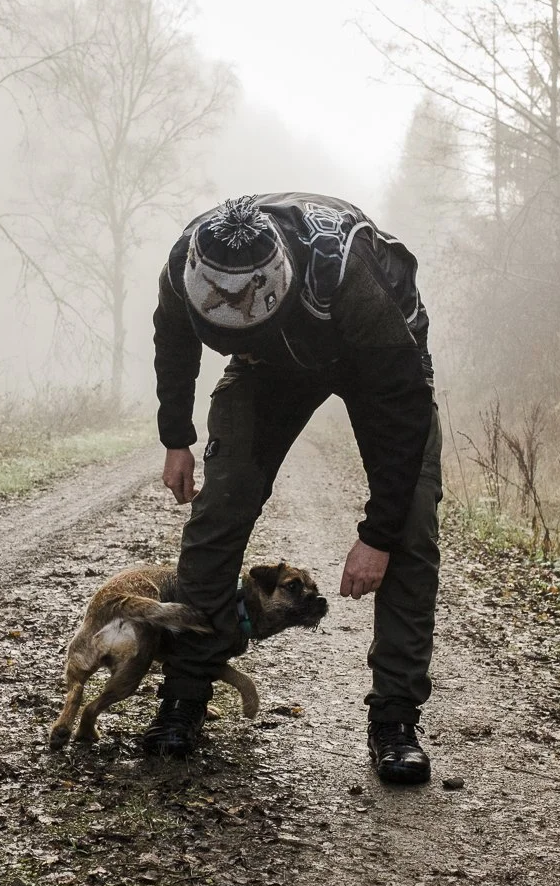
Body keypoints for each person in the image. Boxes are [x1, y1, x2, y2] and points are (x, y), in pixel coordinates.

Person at [144, 193, 441, 784]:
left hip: (376, 362)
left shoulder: (349, 277)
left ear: (278, 286)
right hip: (272, 371)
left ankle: (394, 719)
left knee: (408, 521)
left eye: (247, 323)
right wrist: (176, 436)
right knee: (220, 510)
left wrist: (376, 537)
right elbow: (173, 340)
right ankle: (184, 693)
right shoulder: (186, 262)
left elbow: (404, 407)